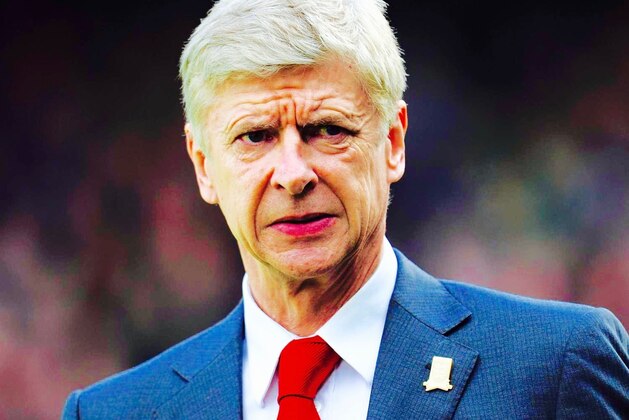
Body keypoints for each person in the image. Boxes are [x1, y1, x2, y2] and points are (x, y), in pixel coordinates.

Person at [62, 0, 628, 418]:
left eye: (327, 129)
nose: (293, 173)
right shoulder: (112, 413)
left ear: (393, 142)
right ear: (204, 164)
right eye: (256, 136)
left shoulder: (555, 367)